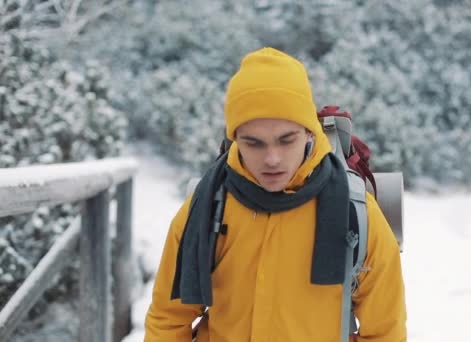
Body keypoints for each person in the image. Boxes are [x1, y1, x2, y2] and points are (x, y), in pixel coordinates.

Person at [144, 47, 407, 341]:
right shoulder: (208, 205)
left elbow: (385, 331)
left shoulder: (355, 211)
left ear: (309, 131)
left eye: (286, 140)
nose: (272, 159)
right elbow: (168, 320)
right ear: (234, 139)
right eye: (254, 143)